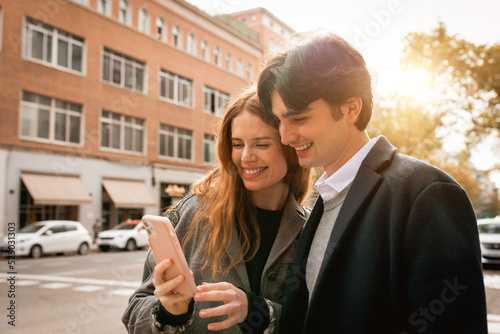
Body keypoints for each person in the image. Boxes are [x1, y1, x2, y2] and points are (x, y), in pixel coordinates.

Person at [256, 29, 488, 333]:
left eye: (298, 118)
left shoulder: (427, 194)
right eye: (279, 120)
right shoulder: (324, 200)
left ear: (352, 108)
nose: (285, 136)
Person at [122, 86, 311, 333]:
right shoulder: (193, 213)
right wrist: (170, 312)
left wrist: (263, 312)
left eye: (262, 144)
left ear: (290, 146)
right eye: (237, 144)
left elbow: (323, 318)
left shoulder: (310, 227)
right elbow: (134, 313)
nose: (246, 157)